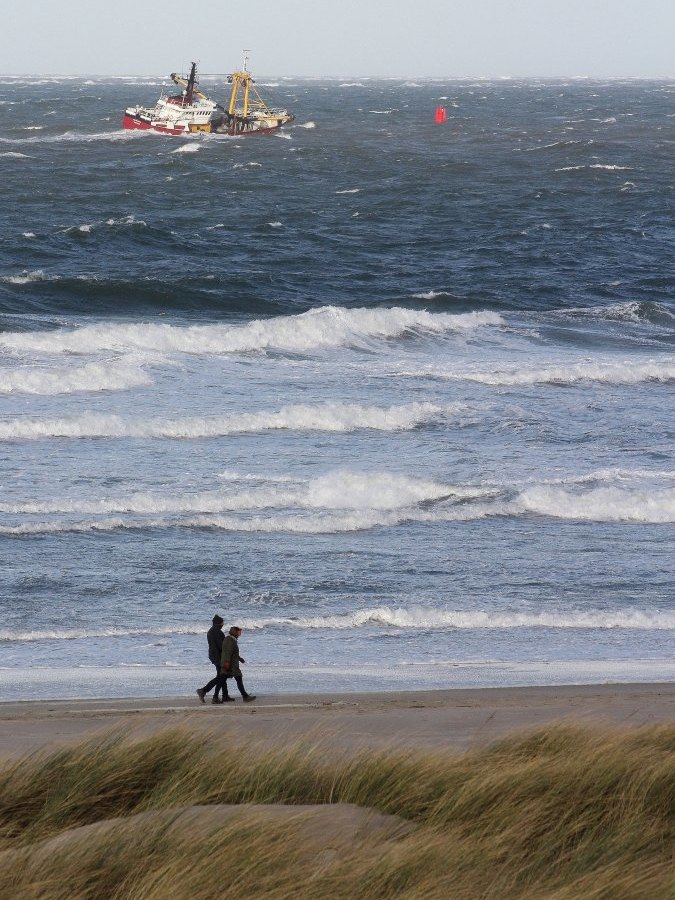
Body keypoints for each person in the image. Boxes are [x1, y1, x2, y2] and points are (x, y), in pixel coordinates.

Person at [196, 615, 233, 704]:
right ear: (218, 623)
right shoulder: (217, 632)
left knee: (222, 676)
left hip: (214, 656)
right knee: (221, 677)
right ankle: (205, 692)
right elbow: (221, 646)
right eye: (222, 622)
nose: (223, 624)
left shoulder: (211, 631)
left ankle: (225, 695)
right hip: (218, 657)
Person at [221, 626, 256, 702]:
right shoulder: (230, 640)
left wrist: (240, 659)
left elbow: (233, 652)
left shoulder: (231, 639)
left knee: (222, 679)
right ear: (235, 632)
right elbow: (228, 652)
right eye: (239, 632)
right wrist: (227, 663)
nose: (240, 633)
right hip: (231, 664)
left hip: (231, 663)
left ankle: (220, 695)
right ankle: (245, 696)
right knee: (237, 678)